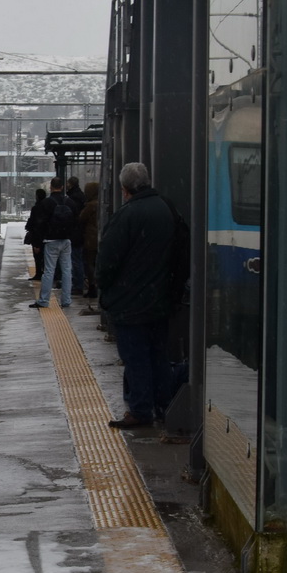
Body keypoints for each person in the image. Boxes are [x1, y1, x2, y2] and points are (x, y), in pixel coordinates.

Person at [97, 162, 176, 430]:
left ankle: (141, 410)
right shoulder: (165, 209)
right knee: (158, 355)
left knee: (136, 358)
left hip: (131, 302)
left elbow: (107, 260)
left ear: (124, 189)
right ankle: (164, 405)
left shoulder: (127, 215)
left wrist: (105, 290)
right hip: (160, 299)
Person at [30, 177, 77, 310]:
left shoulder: (46, 203)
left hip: (51, 241)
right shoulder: (70, 202)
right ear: (62, 187)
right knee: (67, 270)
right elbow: (75, 221)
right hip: (66, 241)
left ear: (51, 187)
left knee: (49, 271)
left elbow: (40, 224)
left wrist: (37, 243)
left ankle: (44, 300)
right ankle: (66, 300)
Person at [78, 180, 101, 309]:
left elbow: (81, 218)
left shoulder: (90, 205)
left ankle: (93, 286)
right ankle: (96, 285)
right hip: (98, 239)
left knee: (89, 264)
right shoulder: (101, 204)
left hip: (90, 240)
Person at [66, 176, 87, 294]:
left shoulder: (74, 198)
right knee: (77, 259)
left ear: (71, 184)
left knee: (76, 259)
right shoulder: (80, 196)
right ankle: (78, 283)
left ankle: (78, 285)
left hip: (76, 234)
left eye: (68, 183)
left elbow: (74, 217)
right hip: (79, 233)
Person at [24, 188, 48, 280]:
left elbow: (35, 223)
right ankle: (43, 273)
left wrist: (37, 243)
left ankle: (39, 273)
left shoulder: (36, 208)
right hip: (46, 236)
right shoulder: (47, 206)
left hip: (38, 237)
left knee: (37, 257)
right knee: (45, 257)